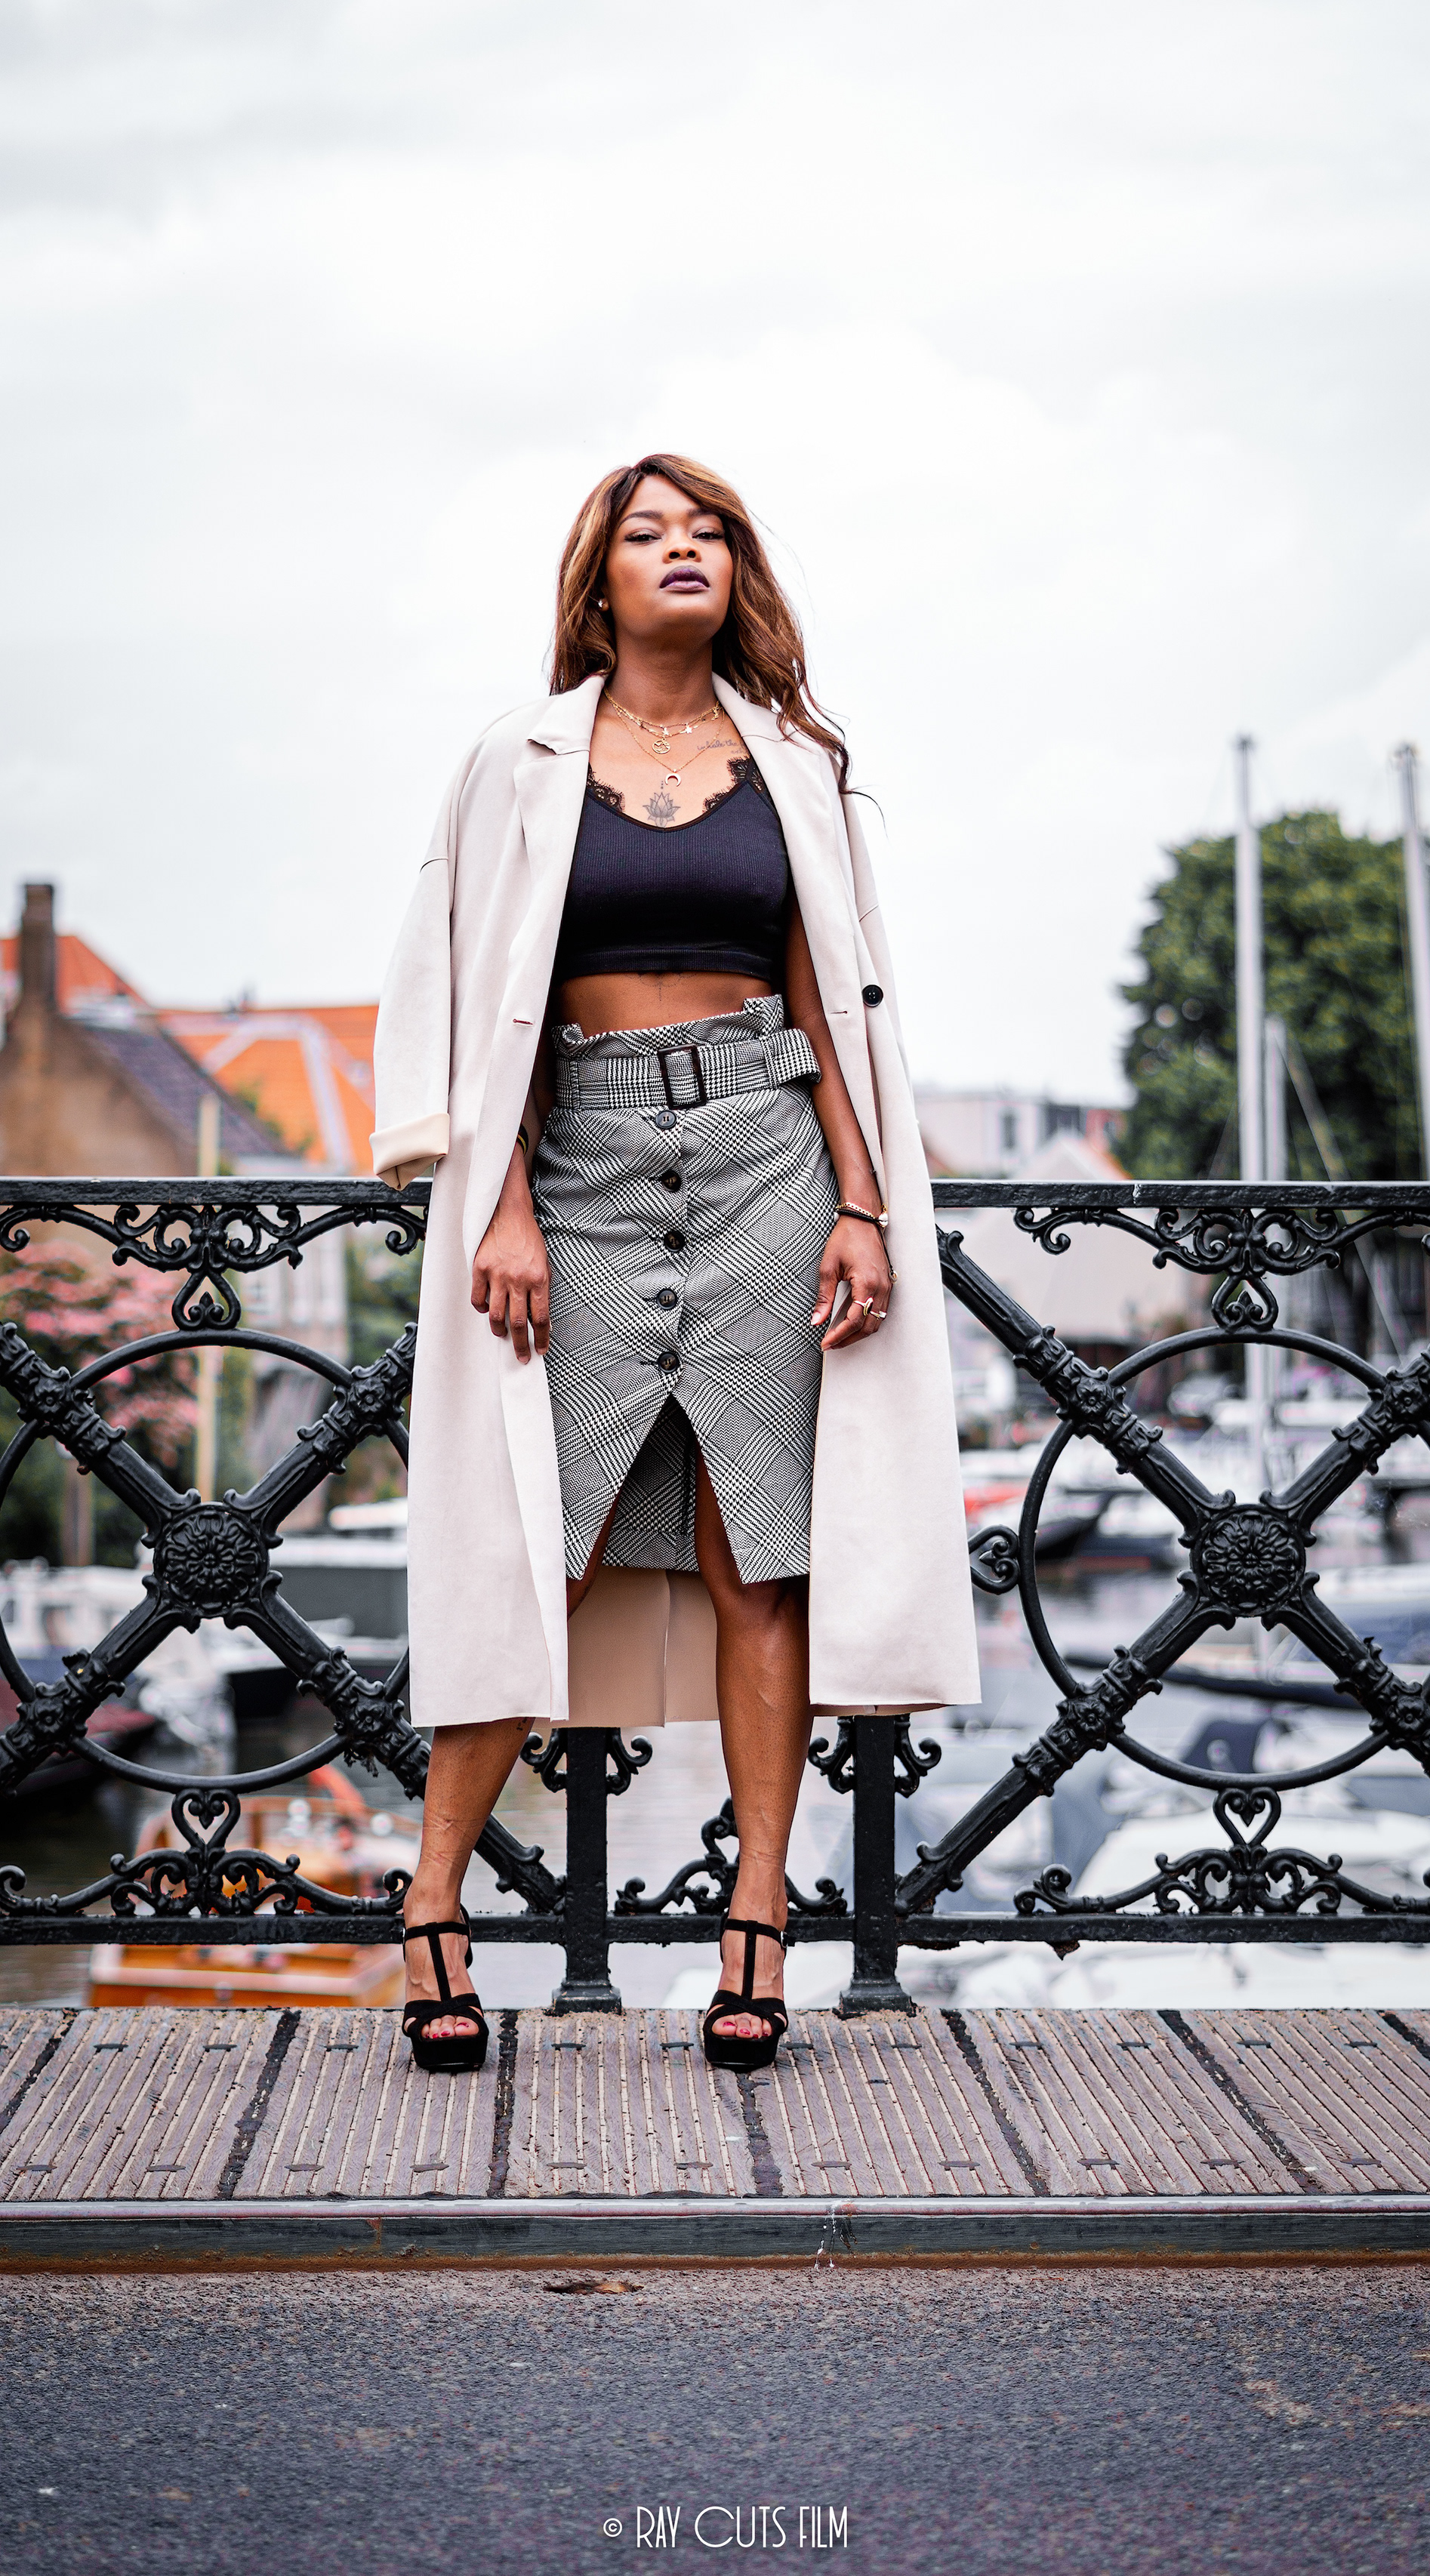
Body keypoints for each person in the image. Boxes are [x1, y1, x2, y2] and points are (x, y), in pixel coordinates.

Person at [371, 454, 977, 2072]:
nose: (682, 549)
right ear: (601, 580)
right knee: (532, 1542)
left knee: (755, 1551)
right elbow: (464, 989)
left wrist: (864, 1205)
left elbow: (832, 991)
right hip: (579, 1161)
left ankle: (756, 1922)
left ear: (737, 570)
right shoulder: (514, 760)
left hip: (772, 1152)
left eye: (707, 531)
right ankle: (431, 1905)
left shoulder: (797, 761)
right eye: (649, 533)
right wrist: (497, 1200)